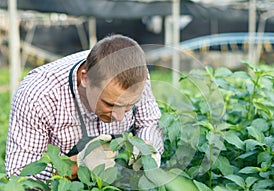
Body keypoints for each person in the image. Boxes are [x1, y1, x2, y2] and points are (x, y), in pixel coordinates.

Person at [5, 34, 164, 183]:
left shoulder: (135, 76)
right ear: (85, 78)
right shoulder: (39, 95)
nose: (120, 117)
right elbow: (18, 175)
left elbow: (148, 123)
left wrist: (148, 147)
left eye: (129, 106)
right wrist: (79, 164)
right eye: (109, 104)